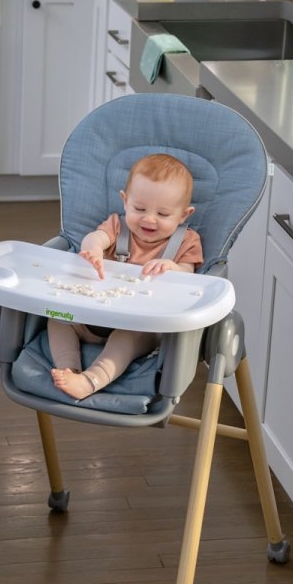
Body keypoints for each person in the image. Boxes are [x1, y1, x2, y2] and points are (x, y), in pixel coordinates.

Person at [48, 153, 203, 400]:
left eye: (163, 214)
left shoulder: (187, 241)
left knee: (126, 338)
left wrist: (172, 268)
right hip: (92, 316)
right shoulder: (117, 226)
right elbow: (95, 238)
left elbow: (191, 278)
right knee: (58, 317)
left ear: (184, 214)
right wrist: (93, 249)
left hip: (140, 327)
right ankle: (69, 369)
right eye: (139, 208)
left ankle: (90, 380)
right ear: (124, 201)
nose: (149, 219)